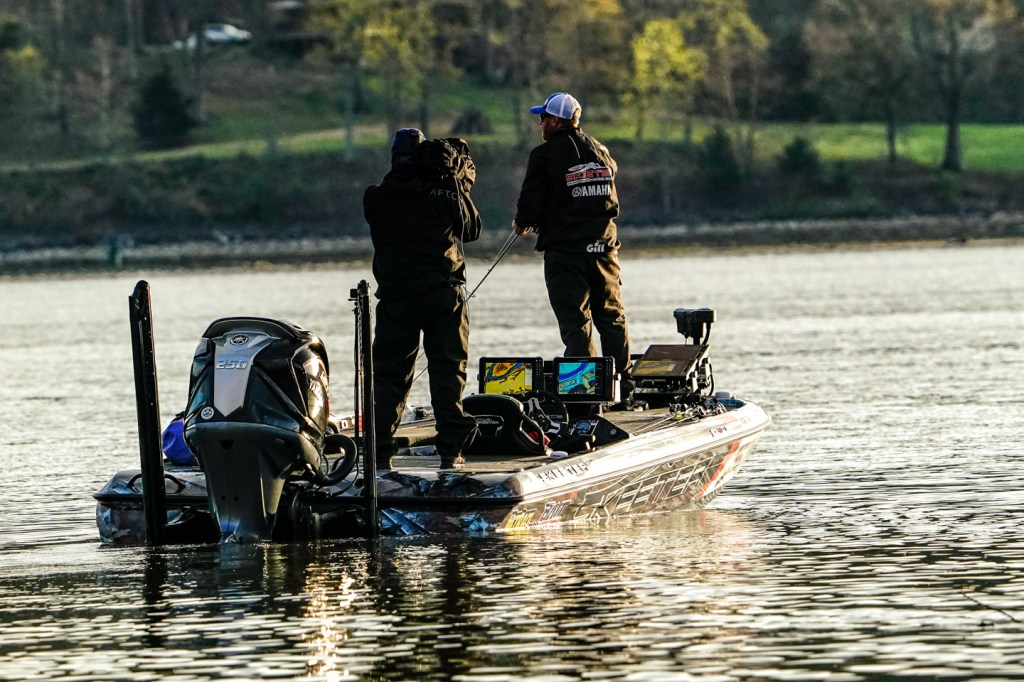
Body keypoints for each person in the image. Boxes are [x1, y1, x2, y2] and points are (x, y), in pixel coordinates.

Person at [364, 128, 482, 470]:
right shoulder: (443, 190)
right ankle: (450, 451)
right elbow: (471, 229)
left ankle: (379, 451)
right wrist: (455, 178)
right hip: (442, 295)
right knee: (448, 372)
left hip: (396, 299)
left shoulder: (375, 197)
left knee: (389, 377)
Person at [512, 92, 633, 400]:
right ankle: (623, 388)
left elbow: (530, 203)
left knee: (576, 323)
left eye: (543, 118)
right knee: (612, 318)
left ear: (556, 121)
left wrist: (522, 222)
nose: (540, 123)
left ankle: (584, 395)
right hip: (605, 249)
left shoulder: (544, 155)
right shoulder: (601, 150)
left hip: (566, 253)